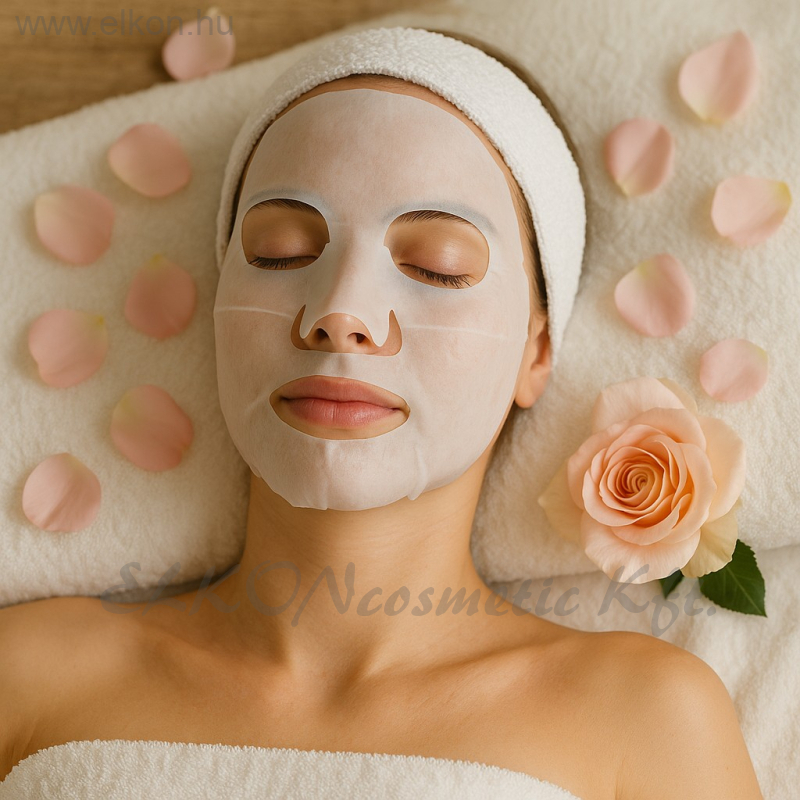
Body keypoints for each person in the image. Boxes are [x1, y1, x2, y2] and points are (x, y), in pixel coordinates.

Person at [0, 27, 763, 800]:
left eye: (437, 267)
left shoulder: (645, 719)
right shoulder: (30, 676)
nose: (341, 314)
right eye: (280, 251)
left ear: (536, 351)